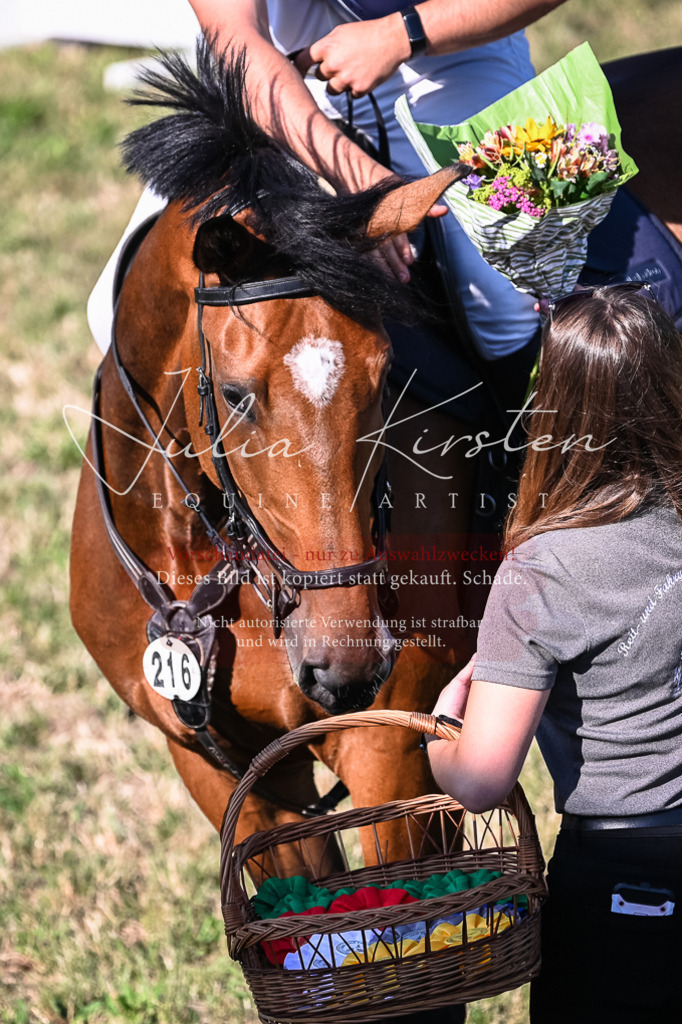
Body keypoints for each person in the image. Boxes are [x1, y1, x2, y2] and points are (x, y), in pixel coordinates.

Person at [424, 283, 682, 1023]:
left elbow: (478, 780)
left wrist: (446, 728)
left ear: (554, 407)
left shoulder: (542, 571)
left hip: (623, 879)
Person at [88, 0, 566, 363]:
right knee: (115, 313)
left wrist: (402, 34)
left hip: (452, 45)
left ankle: (521, 470)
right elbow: (236, 39)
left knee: (502, 311)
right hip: (275, 60)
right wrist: (355, 176)